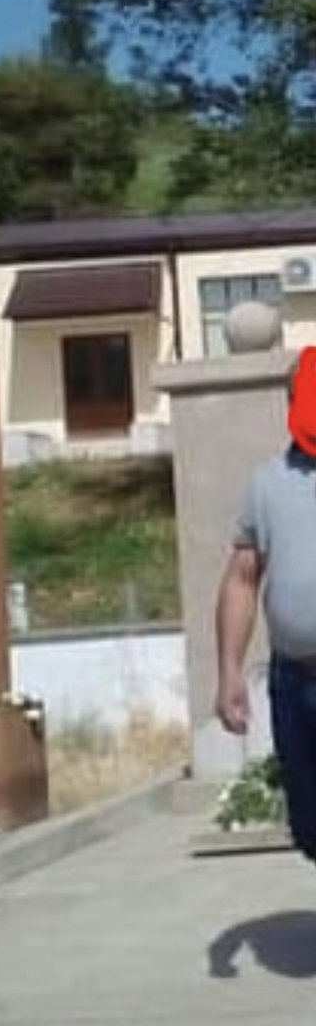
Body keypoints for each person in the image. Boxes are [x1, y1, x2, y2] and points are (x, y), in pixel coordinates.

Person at [215, 345, 316, 863]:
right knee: (311, 826)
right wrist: (230, 672)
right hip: (295, 681)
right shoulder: (268, 483)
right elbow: (241, 578)